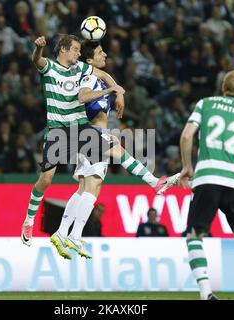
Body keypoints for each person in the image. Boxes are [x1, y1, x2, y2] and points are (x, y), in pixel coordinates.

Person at [49, 41, 180, 259]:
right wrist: (111, 90)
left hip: (85, 134)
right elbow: (82, 97)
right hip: (91, 134)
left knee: (85, 187)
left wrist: (114, 91)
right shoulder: (89, 78)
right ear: (90, 61)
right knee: (115, 157)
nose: (105, 54)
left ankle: (64, 233)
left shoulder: (92, 75)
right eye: (100, 52)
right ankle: (154, 182)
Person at [21, 34, 125, 247]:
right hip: (58, 132)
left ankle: (154, 181)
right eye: (76, 49)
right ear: (63, 50)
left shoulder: (80, 68)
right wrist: (39, 48)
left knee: (115, 151)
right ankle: (29, 220)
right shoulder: (49, 67)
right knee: (46, 179)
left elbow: (103, 74)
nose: (79, 53)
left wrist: (119, 92)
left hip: (80, 130)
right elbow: (36, 60)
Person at [175, 70, 234, 300]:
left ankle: (206, 293)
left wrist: (187, 167)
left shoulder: (206, 104)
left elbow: (186, 136)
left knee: (194, 235)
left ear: (223, 87)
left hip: (207, 176)